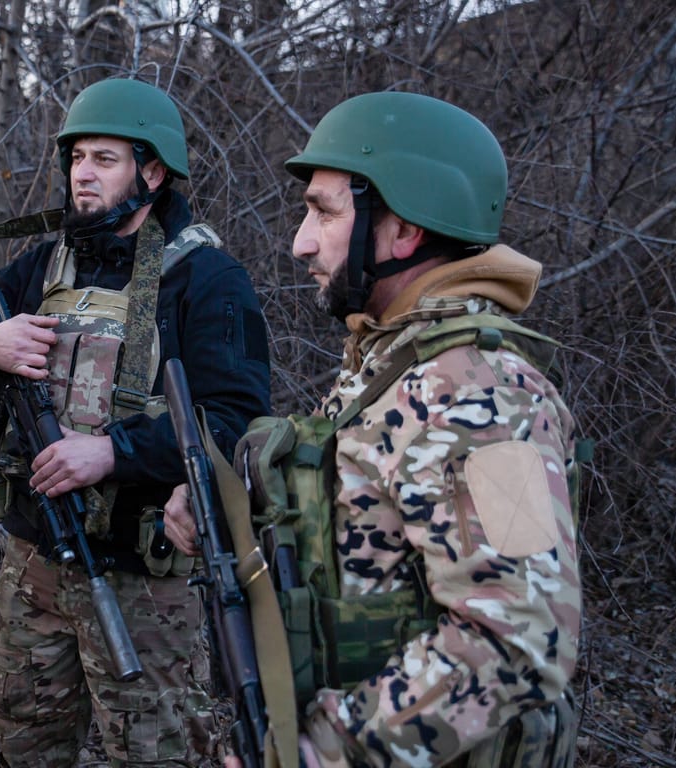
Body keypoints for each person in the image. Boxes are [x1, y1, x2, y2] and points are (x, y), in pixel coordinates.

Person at [166, 91, 582, 768]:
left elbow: (519, 636)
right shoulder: (393, 362)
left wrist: (322, 750)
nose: (300, 241)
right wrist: (228, 506)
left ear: (403, 231)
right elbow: (363, 527)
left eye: (323, 212)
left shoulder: (481, 392)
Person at [0, 78, 272, 767]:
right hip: (31, 571)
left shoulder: (204, 279)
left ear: (154, 171)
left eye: (105, 159)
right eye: (76, 157)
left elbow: (236, 424)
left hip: (141, 585)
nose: (83, 173)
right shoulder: (38, 267)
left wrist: (112, 452)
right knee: (26, 751)